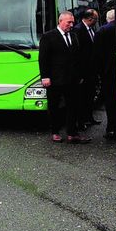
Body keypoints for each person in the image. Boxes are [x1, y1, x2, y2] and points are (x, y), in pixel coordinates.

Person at [39, 11, 91, 144]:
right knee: (54, 106)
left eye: (73, 22)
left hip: (72, 79)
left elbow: (77, 57)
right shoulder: (48, 36)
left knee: (73, 106)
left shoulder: (73, 36)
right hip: (54, 80)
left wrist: (79, 76)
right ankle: (55, 132)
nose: (71, 25)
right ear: (60, 21)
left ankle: (72, 133)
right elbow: (43, 59)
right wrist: (45, 77)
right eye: (69, 22)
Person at [93, 9, 116, 138]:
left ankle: (111, 128)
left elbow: (97, 55)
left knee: (110, 101)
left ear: (107, 18)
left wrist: (98, 72)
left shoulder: (102, 31)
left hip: (107, 72)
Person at [73, 8, 101, 128]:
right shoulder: (78, 30)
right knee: (82, 98)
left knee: (90, 95)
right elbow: (77, 53)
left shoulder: (91, 29)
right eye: (96, 19)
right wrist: (79, 74)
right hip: (84, 72)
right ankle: (81, 121)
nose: (96, 21)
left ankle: (89, 117)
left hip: (92, 70)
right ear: (90, 19)